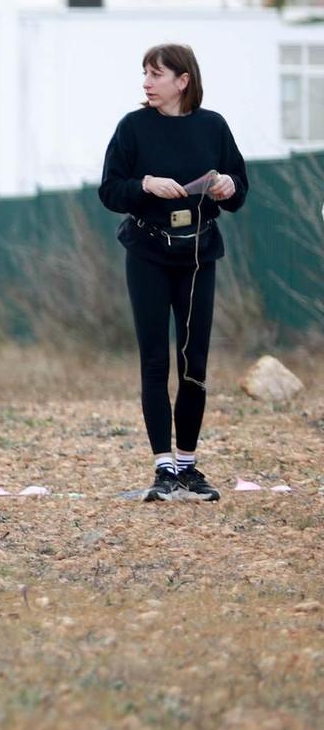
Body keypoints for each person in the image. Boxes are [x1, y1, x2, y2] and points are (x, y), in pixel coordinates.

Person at [98, 43, 247, 503]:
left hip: (199, 254)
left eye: (155, 74)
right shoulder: (133, 127)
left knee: (194, 360)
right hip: (147, 252)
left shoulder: (213, 126)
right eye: (144, 73)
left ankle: (188, 464)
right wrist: (144, 184)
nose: (146, 82)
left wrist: (226, 185)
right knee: (155, 360)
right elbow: (110, 190)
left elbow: (240, 190)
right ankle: (163, 467)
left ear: (183, 80)